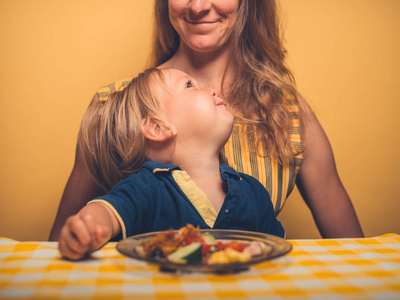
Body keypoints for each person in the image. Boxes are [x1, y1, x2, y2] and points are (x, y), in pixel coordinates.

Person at [50, 0, 363, 241]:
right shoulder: (115, 108)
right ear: (155, 127)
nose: (197, 6)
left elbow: (352, 249)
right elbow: (66, 239)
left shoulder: (287, 112)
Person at [58, 68, 285, 260]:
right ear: (159, 128)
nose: (213, 90)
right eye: (189, 85)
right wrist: (89, 226)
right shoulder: (146, 188)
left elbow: (279, 256)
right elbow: (106, 212)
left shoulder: (255, 192)